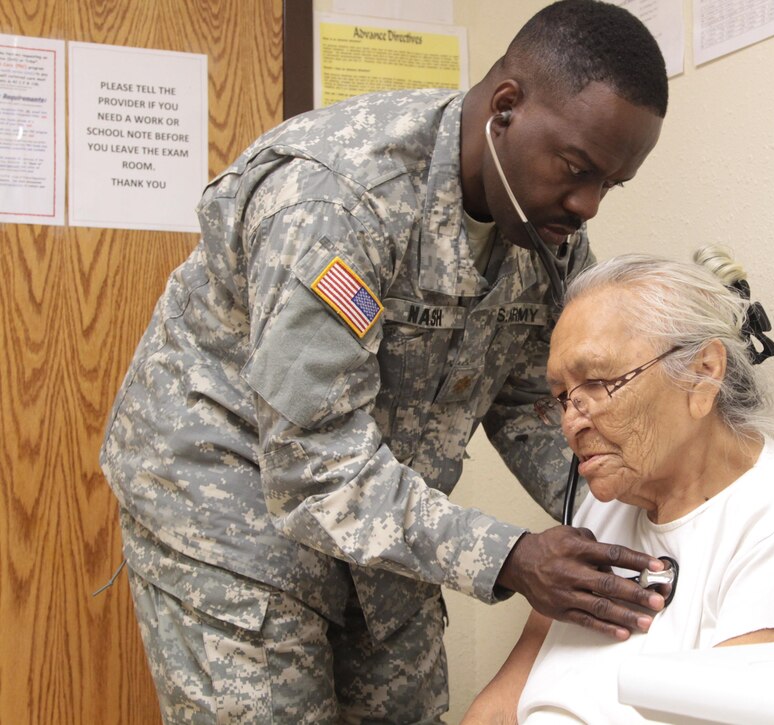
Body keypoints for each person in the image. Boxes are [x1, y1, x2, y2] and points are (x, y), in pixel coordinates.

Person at [98, 1, 671, 721]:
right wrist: (512, 555)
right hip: (231, 504)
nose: (587, 205)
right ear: (506, 107)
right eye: (577, 168)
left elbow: (530, 401)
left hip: (378, 499)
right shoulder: (333, 200)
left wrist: (636, 495)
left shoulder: (544, 230)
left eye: (609, 185)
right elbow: (313, 466)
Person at [464, 247, 774, 724]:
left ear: (703, 374)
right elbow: (500, 707)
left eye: (597, 383)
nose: (570, 424)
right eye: (561, 397)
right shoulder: (605, 506)